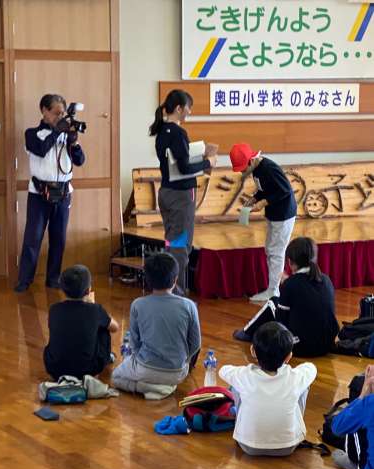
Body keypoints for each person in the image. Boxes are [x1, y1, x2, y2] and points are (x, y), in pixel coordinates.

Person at [15, 94, 86, 292]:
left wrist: (74, 142)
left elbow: (80, 161)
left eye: (62, 114)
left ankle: (53, 279)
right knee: (33, 238)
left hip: (63, 193)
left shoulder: (65, 135)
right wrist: (56, 131)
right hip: (39, 193)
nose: (60, 117)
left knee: (59, 239)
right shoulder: (32, 134)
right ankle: (24, 281)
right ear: (44, 111)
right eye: (56, 113)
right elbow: (40, 150)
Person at [149, 89, 217, 295]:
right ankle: (176, 293)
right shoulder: (178, 133)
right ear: (179, 108)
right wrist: (208, 162)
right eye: (189, 108)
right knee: (180, 246)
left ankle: (167, 288)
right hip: (180, 196)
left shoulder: (162, 131)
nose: (190, 112)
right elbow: (184, 167)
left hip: (166, 192)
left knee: (172, 241)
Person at [219, 322, 317, 456]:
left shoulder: (245, 375)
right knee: (303, 386)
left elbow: (223, 370)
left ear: (253, 351)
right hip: (288, 446)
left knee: (236, 385)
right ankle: (292, 426)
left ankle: (244, 424)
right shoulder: (294, 377)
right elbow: (311, 367)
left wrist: (245, 371)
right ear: (289, 356)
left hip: (247, 445)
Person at [112, 252, 201, 397]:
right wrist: (184, 361)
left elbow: (134, 342)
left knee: (115, 377)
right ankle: (163, 388)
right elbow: (196, 344)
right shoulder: (189, 305)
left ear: (147, 280)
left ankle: (144, 387)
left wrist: (139, 360)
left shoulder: (138, 304)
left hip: (144, 368)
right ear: (175, 280)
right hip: (177, 373)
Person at [234, 237, 339, 357]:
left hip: (302, 347)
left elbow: (281, 320)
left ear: (290, 262)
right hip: (327, 344)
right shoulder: (326, 279)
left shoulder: (291, 284)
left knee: (273, 302)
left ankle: (247, 332)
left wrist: (285, 287)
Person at [230, 143, 297, 302]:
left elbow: (284, 190)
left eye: (243, 169)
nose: (242, 172)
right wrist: (254, 199)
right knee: (270, 250)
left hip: (283, 215)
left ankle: (273, 291)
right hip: (274, 214)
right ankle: (273, 287)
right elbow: (264, 189)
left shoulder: (269, 168)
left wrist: (262, 203)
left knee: (276, 252)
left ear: (251, 160)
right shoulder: (257, 169)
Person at [43, 265, 119, 380]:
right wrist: (92, 305)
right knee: (104, 327)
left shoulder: (54, 309)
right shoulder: (95, 309)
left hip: (55, 369)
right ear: (88, 290)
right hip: (88, 370)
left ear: (62, 290)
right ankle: (106, 357)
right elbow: (115, 327)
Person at [331, 365, 374, 469]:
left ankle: (354, 461)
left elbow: (337, 427)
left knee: (357, 421)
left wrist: (363, 395)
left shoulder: (370, 402)